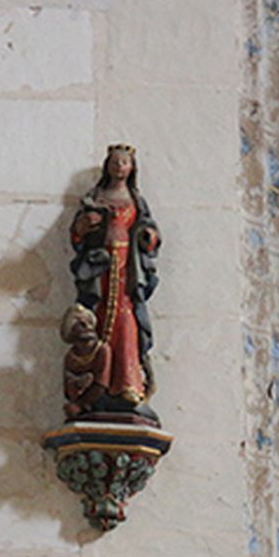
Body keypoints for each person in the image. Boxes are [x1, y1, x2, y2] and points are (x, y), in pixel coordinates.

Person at [69, 144, 160, 412]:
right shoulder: (95, 196)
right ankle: (99, 385)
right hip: (100, 269)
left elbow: (149, 228)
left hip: (127, 269)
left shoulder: (136, 199)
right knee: (95, 320)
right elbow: (78, 234)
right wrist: (82, 229)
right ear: (108, 165)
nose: (120, 166)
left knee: (126, 321)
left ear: (132, 168)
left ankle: (128, 384)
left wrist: (148, 237)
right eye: (116, 161)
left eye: (125, 162)